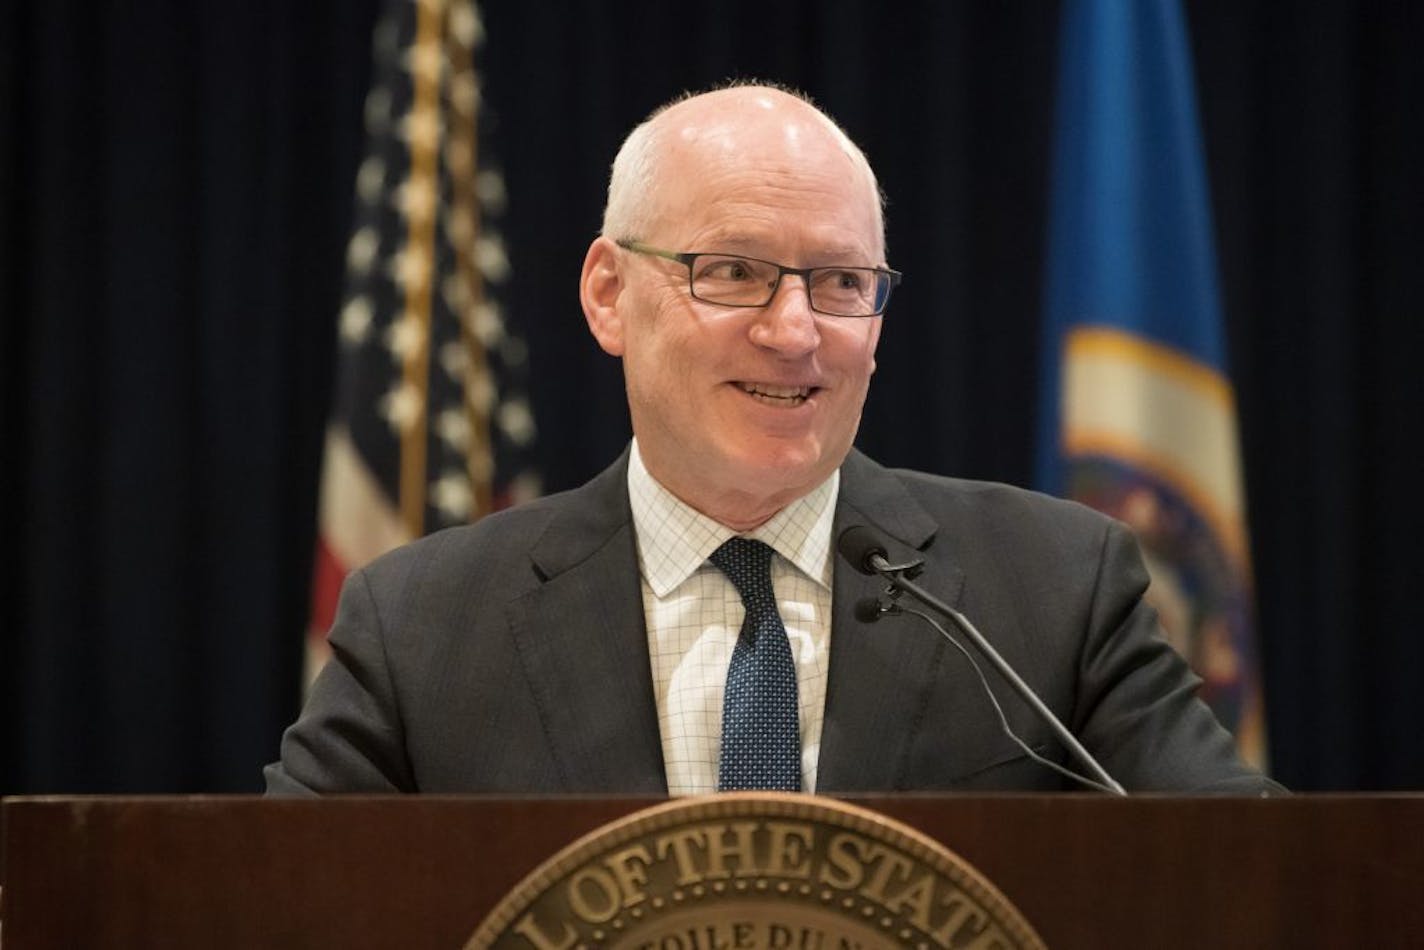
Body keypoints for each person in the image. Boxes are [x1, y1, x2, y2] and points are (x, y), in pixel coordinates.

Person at [266, 83, 1279, 796]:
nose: (794, 331)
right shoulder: (424, 623)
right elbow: (270, 902)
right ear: (608, 295)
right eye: (734, 270)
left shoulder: (1054, 590)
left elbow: (1251, 877)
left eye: (840, 283)